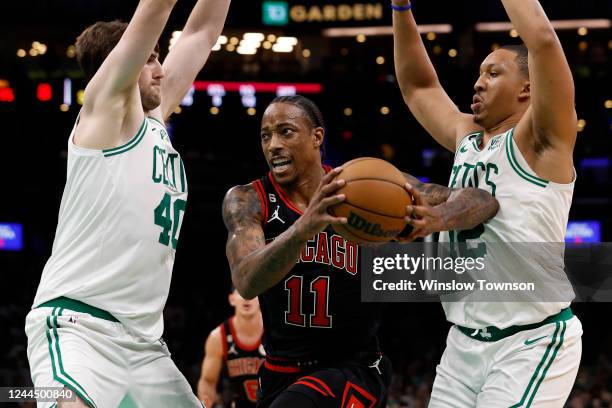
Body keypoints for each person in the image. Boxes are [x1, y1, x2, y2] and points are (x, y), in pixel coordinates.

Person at [222, 95, 499, 407]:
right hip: (280, 371)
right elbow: (246, 281)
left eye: (285, 132)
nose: (273, 144)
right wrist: (302, 229)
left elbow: (483, 201)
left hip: (353, 368)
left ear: (317, 137)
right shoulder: (248, 200)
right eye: (265, 135)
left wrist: (437, 219)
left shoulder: (363, 187)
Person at [24, 0, 231, 406]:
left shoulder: (154, 120)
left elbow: (201, 33)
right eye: (151, 57)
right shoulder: (102, 113)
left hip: (144, 344)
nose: (161, 68)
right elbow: (155, 10)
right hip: (77, 325)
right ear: (120, 64)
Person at [392, 0, 582, 406]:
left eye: (493, 73)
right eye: (479, 73)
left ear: (527, 89)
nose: (478, 83)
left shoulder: (541, 140)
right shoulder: (466, 134)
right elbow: (419, 87)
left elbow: (544, 42)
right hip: (462, 343)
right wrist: (401, 6)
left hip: (530, 340)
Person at [197, 288, 265, 407]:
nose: (247, 298)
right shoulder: (218, 337)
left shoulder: (275, 332)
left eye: (252, 293)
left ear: (262, 299)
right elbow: (207, 381)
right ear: (232, 299)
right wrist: (208, 403)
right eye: (241, 293)